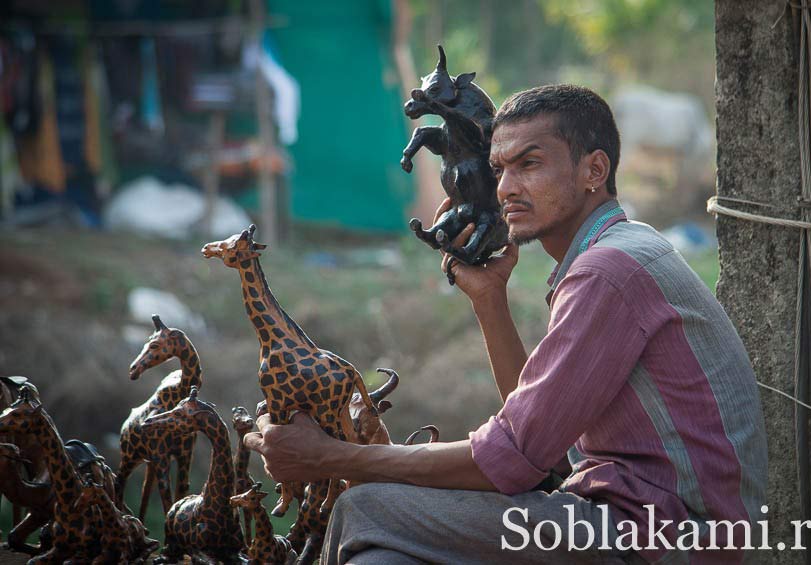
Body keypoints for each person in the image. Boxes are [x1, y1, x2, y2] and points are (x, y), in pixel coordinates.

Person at [244, 85, 768, 564]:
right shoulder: (618, 251)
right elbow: (542, 441)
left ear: (594, 170)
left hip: (665, 537)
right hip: (643, 521)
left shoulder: (607, 271)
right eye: (499, 170)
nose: (506, 188)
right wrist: (490, 299)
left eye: (530, 164)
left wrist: (329, 457)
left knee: (366, 509)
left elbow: (516, 459)